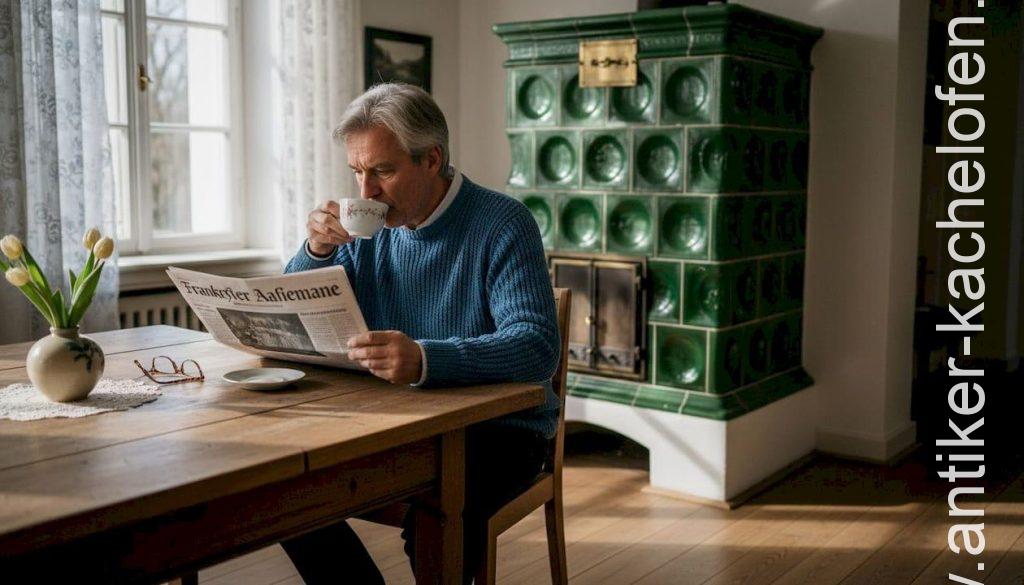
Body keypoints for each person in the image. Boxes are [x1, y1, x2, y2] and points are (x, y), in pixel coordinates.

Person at [281, 82, 560, 584]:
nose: (365, 192)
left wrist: (427, 360)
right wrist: (315, 250)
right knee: (283, 491)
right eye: (357, 172)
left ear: (432, 159)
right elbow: (297, 309)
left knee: (435, 518)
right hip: (396, 420)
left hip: (501, 430)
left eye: (382, 171)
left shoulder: (502, 223)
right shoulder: (366, 229)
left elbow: (537, 346)